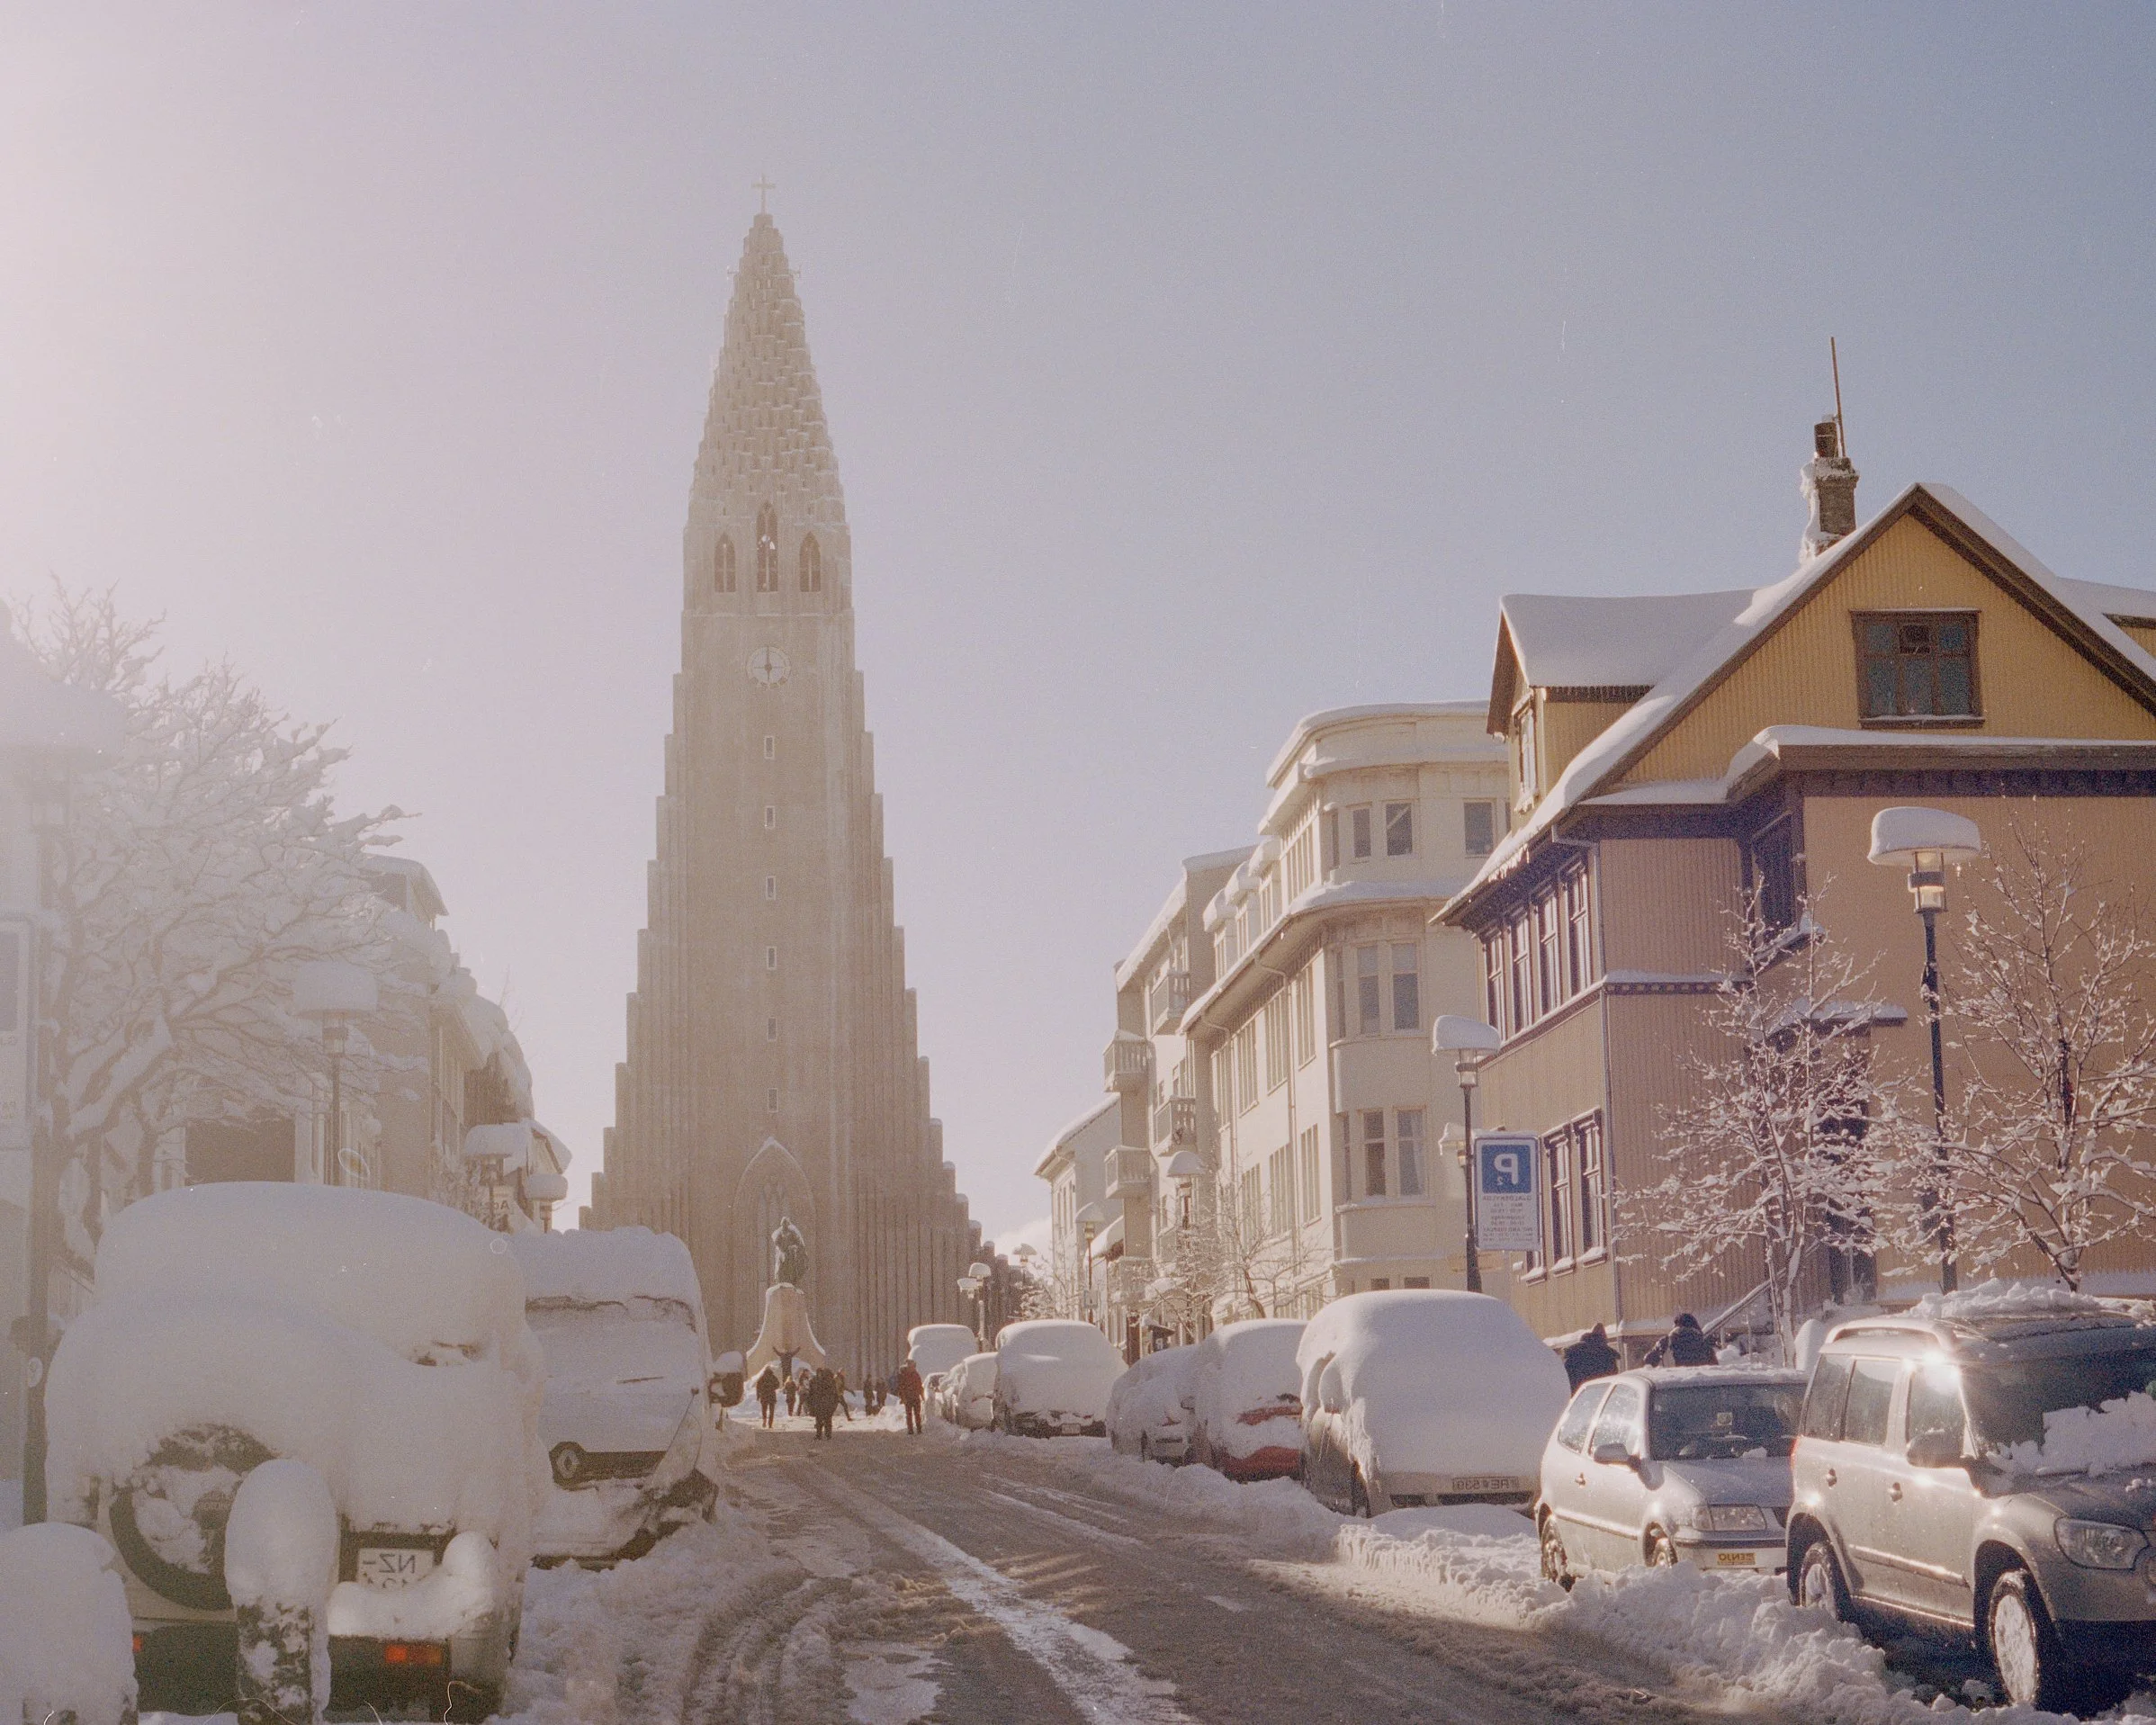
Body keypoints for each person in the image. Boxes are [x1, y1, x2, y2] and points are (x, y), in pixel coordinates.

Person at [1646, 1312, 1718, 1367]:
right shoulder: (1704, 1342)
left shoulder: (1665, 1342)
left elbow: (1648, 1360)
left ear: (1676, 1325)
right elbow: (1714, 1368)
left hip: (1672, 1383)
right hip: (1700, 1383)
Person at [1562, 1322, 1621, 1389]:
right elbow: (1612, 1377)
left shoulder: (1575, 1353)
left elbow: (1567, 1376)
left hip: (1578, 1393)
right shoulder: (1608, 1355)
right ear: (1604, 1339)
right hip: (1601, 1392)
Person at [804, 1366, 841, 1440]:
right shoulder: (830, 1381)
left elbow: (811, 1393)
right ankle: (827, 1435)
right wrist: (834, 1404)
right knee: (827, 1420)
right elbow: (835, 1394)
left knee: (820, 1420)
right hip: (826, 1404)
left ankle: (820, 1435)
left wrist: (810, 1404)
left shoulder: (817, 1381)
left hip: (820, 1404)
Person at [892, 1360, 925, 1435]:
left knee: (917, 1414)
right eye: (913, 1366)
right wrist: (903, 1397)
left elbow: (919, 1386)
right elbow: (901, 1387)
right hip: (909, 1398)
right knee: (910, 1414)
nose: (913, 1367)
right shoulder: (904, 1375)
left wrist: (922, 1396)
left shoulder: (915, 1374)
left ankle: (918, 1429)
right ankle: (911, 1430)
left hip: (915, 1397)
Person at [755, 1363, 781, 1429]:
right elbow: (778, 1385)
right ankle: (770, 1424)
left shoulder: (762, 1378)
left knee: (764, 1410)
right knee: (771, 1410)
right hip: (772, 1395)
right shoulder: (773, 1377)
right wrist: (772, 1388)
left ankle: (764, 1421)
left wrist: (758, 1395)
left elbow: (758, 1387)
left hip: (764, 1396)